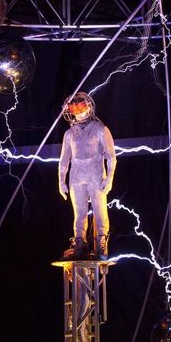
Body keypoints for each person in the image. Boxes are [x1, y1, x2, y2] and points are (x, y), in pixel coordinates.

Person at [58, 92, 116, 261]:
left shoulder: (100, 129)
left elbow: (111, 156)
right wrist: (61, 181)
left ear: (89, 107)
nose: (78, 111)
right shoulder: (69, 134)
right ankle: (80, 245)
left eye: (81, 107)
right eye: (73, 108)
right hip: (76, 178)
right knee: (79, 214)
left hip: (95, 176)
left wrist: (110, 177)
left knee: (100, 211)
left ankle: (101, 246)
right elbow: (64, 160)